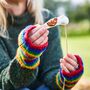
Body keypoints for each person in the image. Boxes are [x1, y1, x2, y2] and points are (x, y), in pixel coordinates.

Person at [0, 0, 84, 90]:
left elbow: (51, 72)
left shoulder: (47, 17)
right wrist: (27, 56)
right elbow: (3, 81)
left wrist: (65, 77)